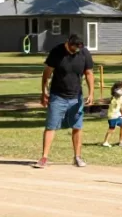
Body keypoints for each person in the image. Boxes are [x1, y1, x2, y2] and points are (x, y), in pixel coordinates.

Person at [37, 34, 95, 169]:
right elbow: (47, 73)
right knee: (51, 126)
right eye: (73, 49)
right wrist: (44, 91)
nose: (75, 52)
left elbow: (89, 73)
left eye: (78, 50)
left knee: (77, 127)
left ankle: (77, 157)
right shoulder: (57, 52)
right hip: (58, 95)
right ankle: (44, 158)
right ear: (68, 43)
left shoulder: (84, 52)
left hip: (76, 96)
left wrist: (91, 93)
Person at [102, 81, 122, 148]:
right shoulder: (118, 92)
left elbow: (121, 105)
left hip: (117, 114)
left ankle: (121, 142)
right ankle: (105, 142)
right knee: (112, 128)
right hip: (113, 114)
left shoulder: (121, 95)